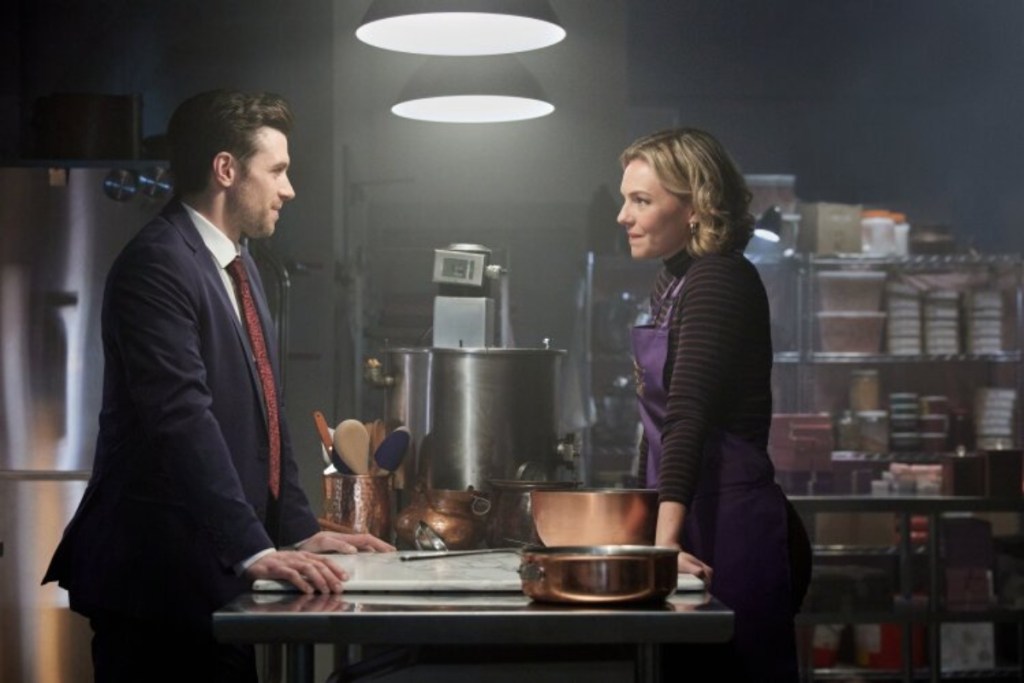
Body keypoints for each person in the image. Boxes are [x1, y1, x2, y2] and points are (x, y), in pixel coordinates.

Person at [43, 89, 395, 683]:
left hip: (211, 574)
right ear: (226, 169)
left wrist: (298, 530)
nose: (290, 189)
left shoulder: (239, 262)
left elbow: (267, 411)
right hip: (156, 583)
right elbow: (181, 419)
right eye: (278, 170)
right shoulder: (157, 264)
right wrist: (252, 549)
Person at [617, 127, 812, 681]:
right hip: (689, 522)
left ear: (697, 206)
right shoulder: (673, 282)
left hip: (729, 533)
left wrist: (663, 546)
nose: (622, 216)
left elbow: (687, 416)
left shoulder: (718, 280)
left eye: (641, 200)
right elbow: (651, 429)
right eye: (625, 198)